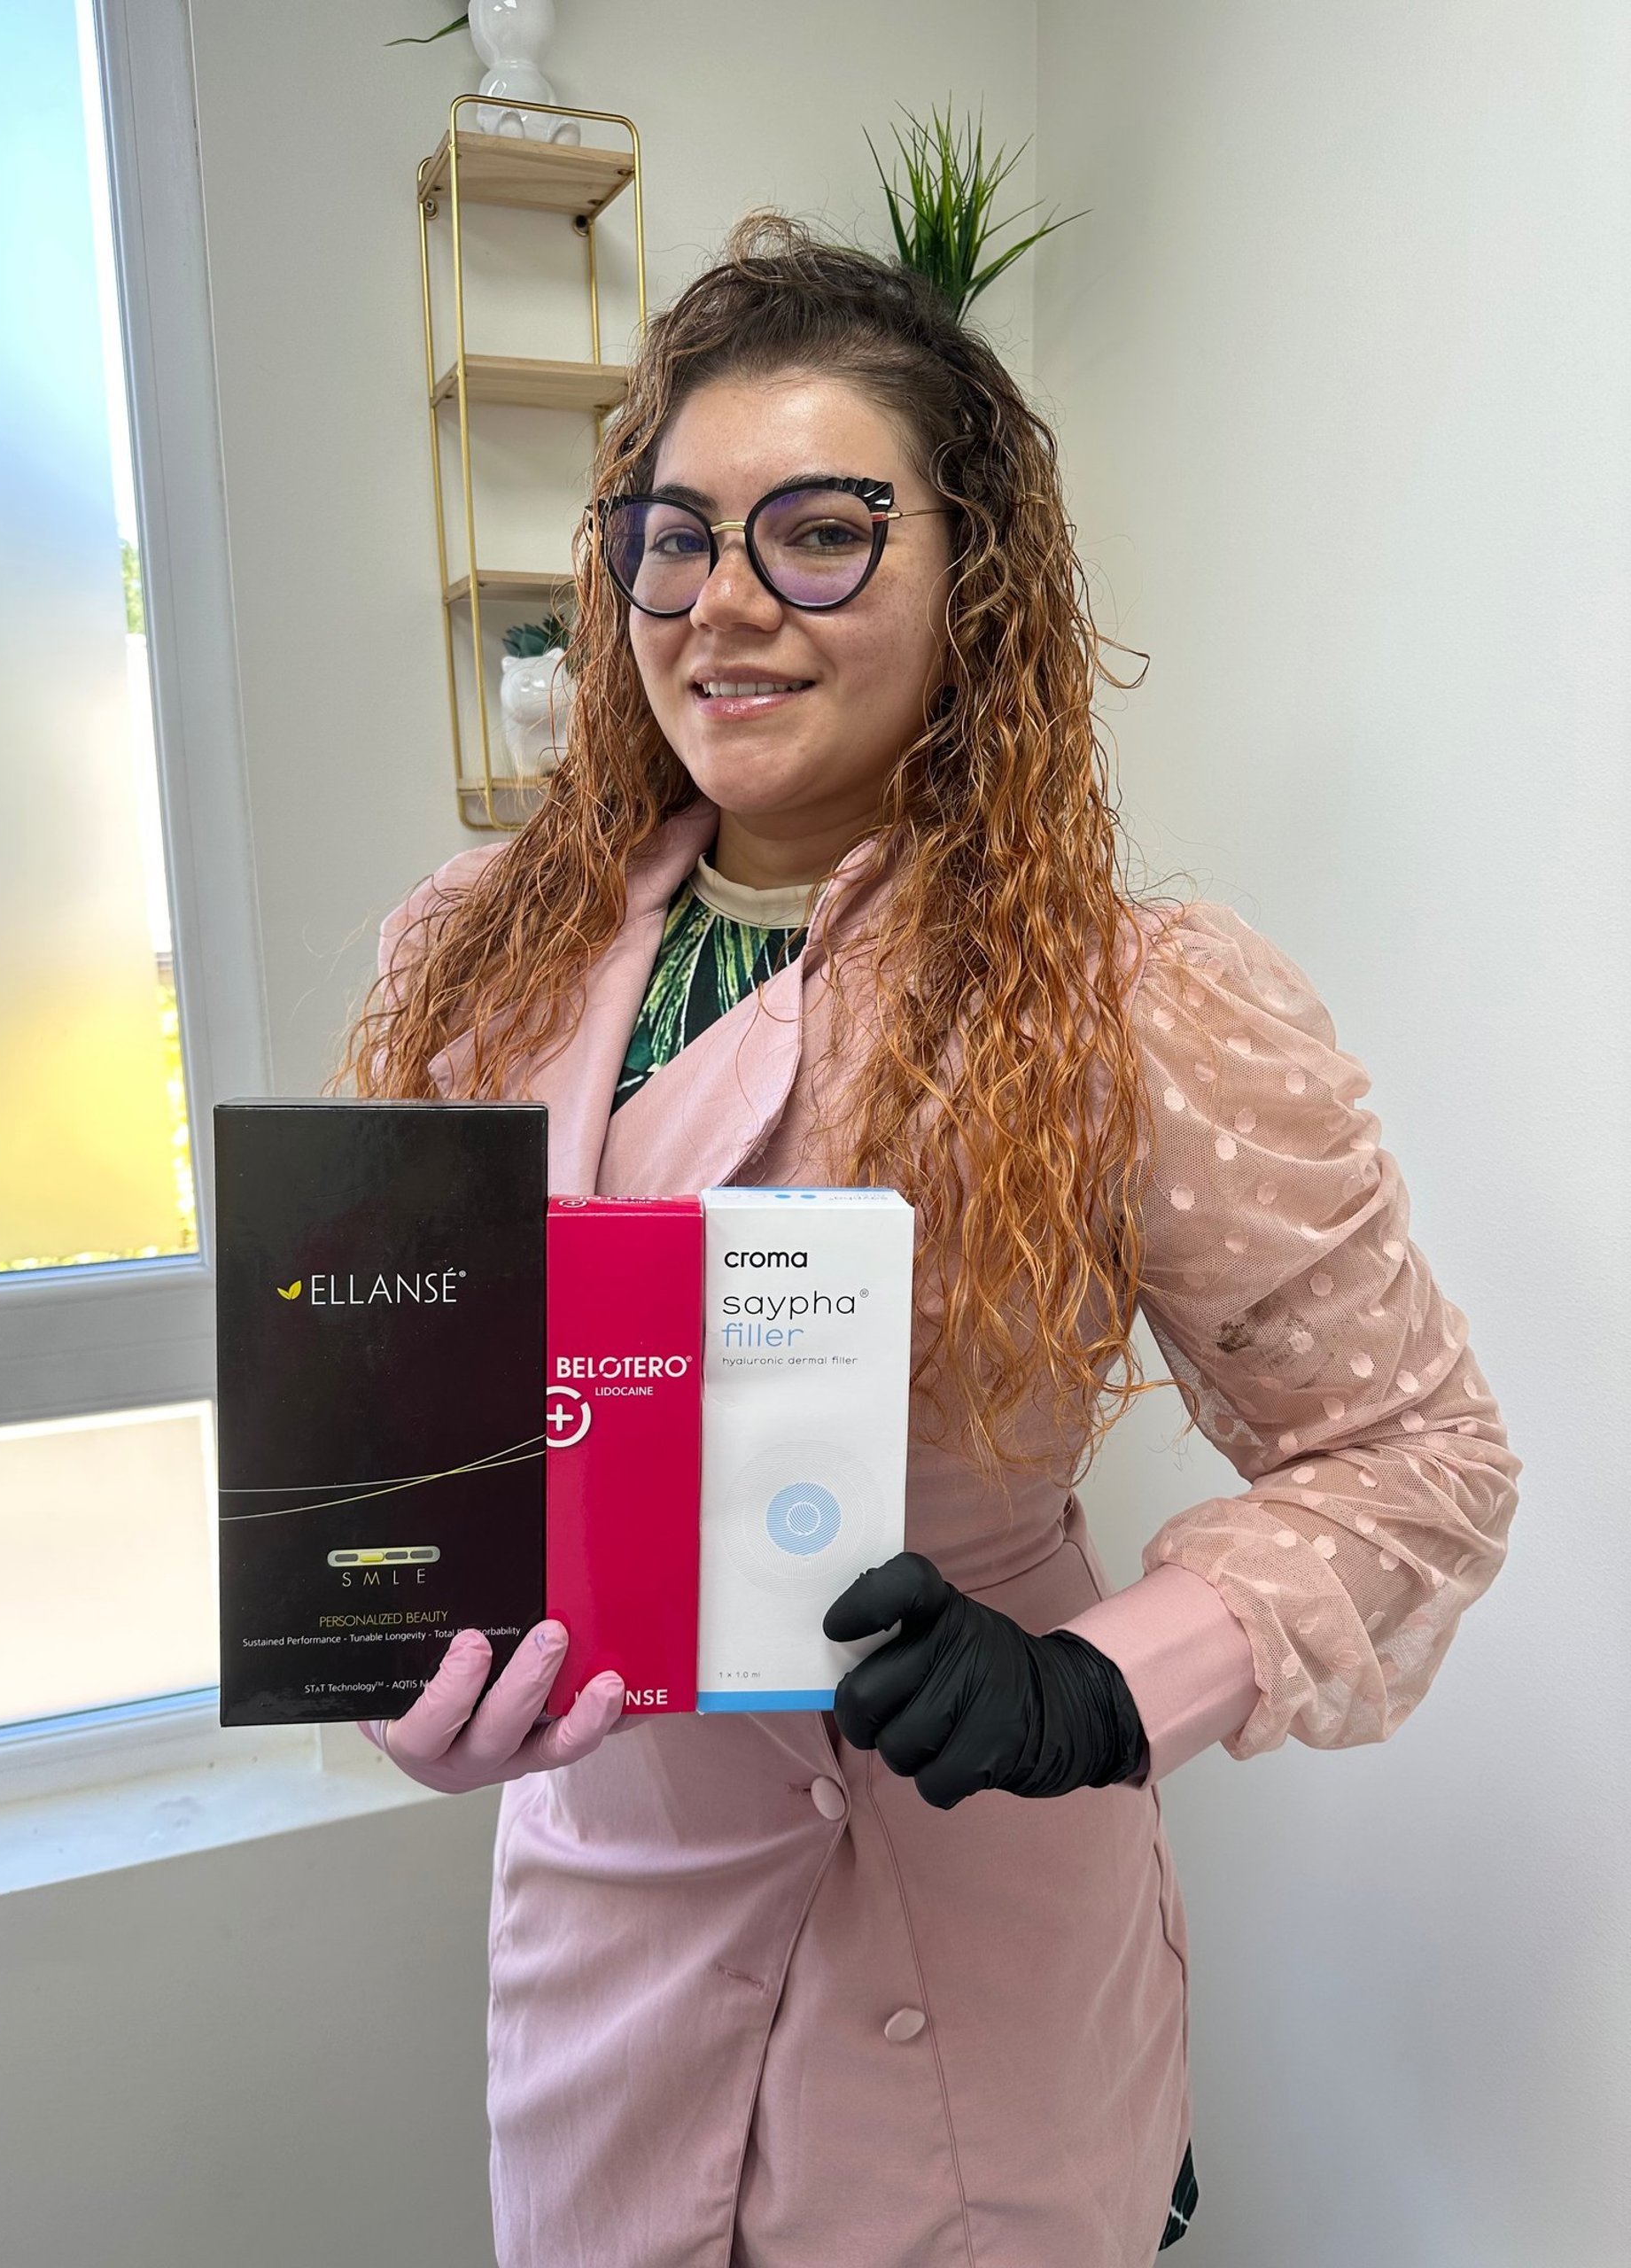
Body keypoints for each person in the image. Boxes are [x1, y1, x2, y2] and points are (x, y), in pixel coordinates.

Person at [345, 213, 1521, 2268]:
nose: (725, 602)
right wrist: (406, 1663)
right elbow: (419, 1429)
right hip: (610, 1926)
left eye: (821, 532)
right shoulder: (477, 955)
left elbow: (1421, 1460)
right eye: (675, 533)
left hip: (972, 1935)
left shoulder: (1126, 993)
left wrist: (1098, 1679)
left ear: (970, 570)